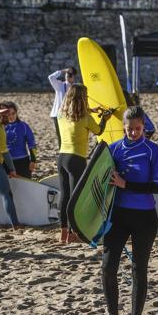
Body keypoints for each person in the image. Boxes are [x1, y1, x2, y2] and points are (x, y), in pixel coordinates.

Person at [101, 106, 158, 315]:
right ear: (123, 127)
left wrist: (126, 184)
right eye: (129, 129)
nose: (134, 133)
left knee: (139, 269)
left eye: (138, 129)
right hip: (117, 215)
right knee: (108, 267)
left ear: (144, 127)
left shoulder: (153, 151)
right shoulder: (114, 149)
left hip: (144, 217)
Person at [57, 83, 111, 243]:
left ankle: (63, 232)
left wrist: (91, 110)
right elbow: (99, 131)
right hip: (76, 159)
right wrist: (105, 118)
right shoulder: (86, 118)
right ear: (83, 99)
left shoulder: (61, 114)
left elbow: (76, 114)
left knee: (65, 195)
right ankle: (74, 234)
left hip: (61, 158)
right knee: (76, 198)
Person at [4, 101, 37, 179]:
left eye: (13, 113)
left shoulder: (24, 126)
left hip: (22, 162)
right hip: (6, 162)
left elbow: (32, 145)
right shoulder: (1, 127)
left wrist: (33, 160)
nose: (11, 116)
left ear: (16, 113)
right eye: (8, 114)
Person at [48, 67, 76, 149]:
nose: (68, 75)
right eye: (67, 74)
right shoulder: (59, 85)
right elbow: (51, 77)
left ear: (74, 77)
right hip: (58, 115)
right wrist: (63, 71)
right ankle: (62, 151)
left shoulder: (76, 88)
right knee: (60, 135)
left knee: (70, 134)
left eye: (71, 74)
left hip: (70, 114)